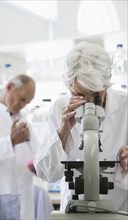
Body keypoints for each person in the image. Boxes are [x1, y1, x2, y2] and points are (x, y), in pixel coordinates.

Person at [34, 42, 128, 213]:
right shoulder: (60, 107)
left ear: (106, 83)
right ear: (69, 86)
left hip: (118, 212)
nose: (89, 103)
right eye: (79, 95)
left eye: (96, 95)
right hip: (73, 212)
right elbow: (46, 173)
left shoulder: (125, 106)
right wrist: (62, 132)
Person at [0, 74, 39, 220]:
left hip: (25, 201)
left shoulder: (23, 119)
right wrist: (10, 143)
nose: (22, 106)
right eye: (21, 99)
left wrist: (38, 165)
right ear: (9, 87)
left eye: (27, 103)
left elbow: (37, 152)